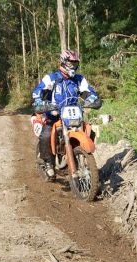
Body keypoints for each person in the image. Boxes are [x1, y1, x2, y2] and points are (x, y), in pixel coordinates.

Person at [31, 49, 100, 179]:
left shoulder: (79, 79)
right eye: (70, 63)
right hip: (54, 115)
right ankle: (48, 164)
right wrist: (40, 102)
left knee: (90, 131)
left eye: (75, 64)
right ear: (62, 63)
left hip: (73, 116)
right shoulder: (52, 78)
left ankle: (84, 162)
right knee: (46, 135)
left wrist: (93, 99)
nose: (73, 66)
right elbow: (37, 92)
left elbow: (88, 91)